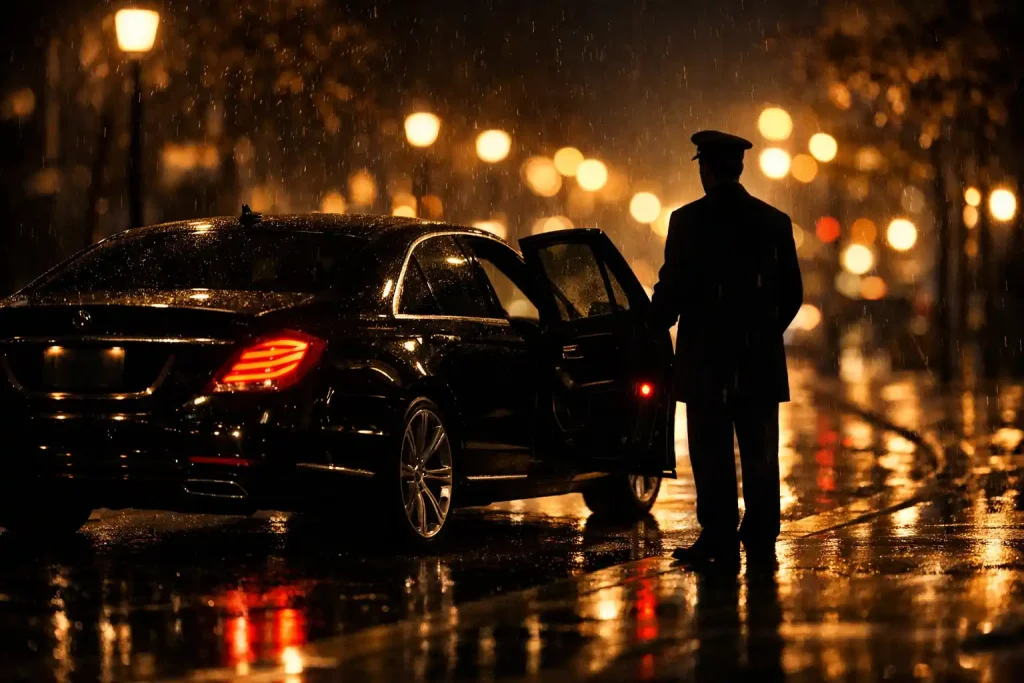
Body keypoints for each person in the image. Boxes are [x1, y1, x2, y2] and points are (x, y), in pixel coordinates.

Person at [650, 130, 803, 565]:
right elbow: (792, 293)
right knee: (760, 453)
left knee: (711, 453)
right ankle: (760, 535)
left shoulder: (688, 220)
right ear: (738, 168)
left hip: (706, 363)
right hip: (758, 362)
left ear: (706, 168)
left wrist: (652, 322)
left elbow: (673, 289)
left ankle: (717, 537)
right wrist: (762, 334)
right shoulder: (774, 222)